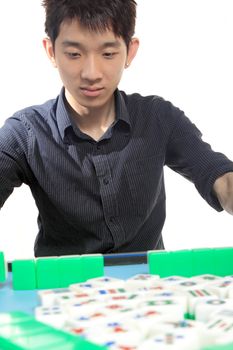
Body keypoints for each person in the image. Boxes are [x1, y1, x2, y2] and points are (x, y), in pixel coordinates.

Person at [0, 0, 233, 257]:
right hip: (60, 289)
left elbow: (216, 175)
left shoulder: (158, 118)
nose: (91, 73)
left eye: (108, 53)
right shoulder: (25, 133)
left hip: (148, 288)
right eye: (74, 54)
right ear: (51, 51)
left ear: (130, 52)